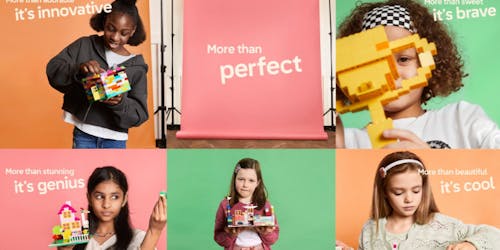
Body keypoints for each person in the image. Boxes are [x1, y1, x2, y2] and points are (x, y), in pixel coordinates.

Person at [335, 0, 500, 149]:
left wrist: (431, 166)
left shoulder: (462, 119)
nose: (391, 73)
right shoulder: (348, 141)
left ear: (426, 61)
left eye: (404, 59)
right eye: (375, 62)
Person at [47, 0, 149, 148]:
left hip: (115, 139)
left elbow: (140, 114)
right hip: (83, 134)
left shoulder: (136, 67)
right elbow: (53, 69)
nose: (115, 37)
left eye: (124, 33)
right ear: (104, 21)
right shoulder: (84, 45)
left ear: (133, 31)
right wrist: (78, 69)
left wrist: (120, 103)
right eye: (110, 28)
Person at [358, 151, 500, 249]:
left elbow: (495, 235)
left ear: (423, 188)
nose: (409, 199)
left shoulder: (443, 226)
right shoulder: (370, 229)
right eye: (398, 193)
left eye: (416, 190)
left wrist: (472, 245)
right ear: (384, 192)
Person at [59, 166, 166, 250]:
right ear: (89, 198)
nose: (106, 204)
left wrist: (155, 230)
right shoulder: (76, 240)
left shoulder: (139, 238)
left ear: (124, 199)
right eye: (99, 196)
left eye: (114, 197)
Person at [214, 158, 279, 250]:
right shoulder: (225, 204)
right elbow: (218, 238)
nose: (245, 185)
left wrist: (266, 232)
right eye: (241, 179)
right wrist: (231, 234)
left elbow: (273, 239)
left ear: (258, 183)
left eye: (251, 180)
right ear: (234, 179)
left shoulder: (265, 204)